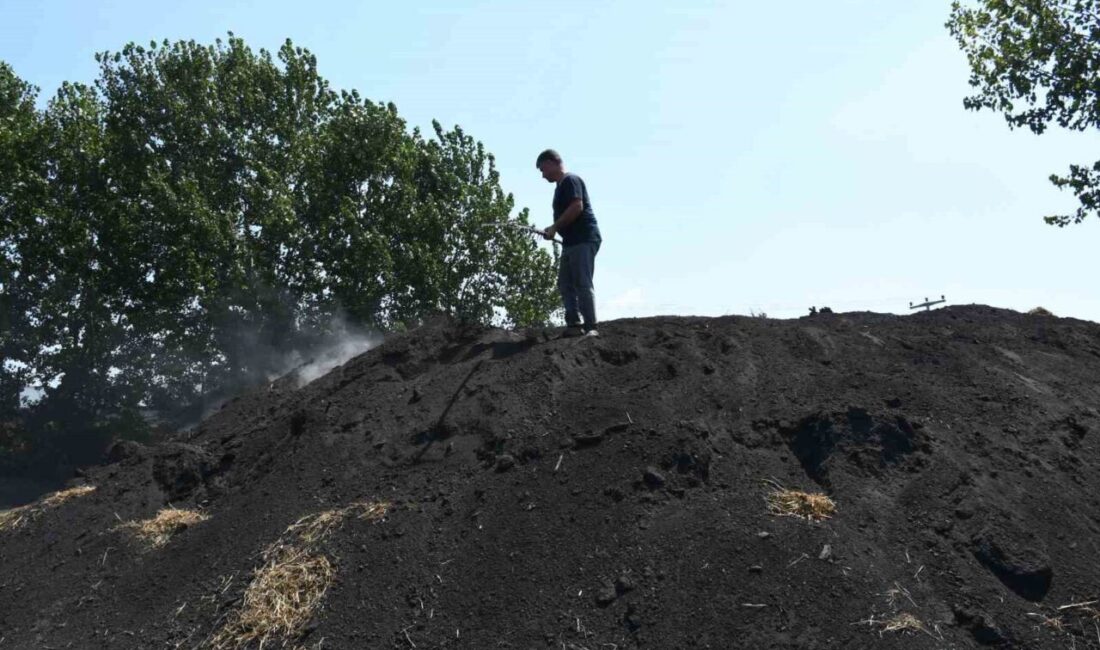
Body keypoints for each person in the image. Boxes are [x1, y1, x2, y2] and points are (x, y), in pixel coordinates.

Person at [536, 149, 602, 337]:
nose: (543, 175)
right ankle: (574, 325)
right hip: (570, 242)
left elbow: (577, 206)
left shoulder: (570, 180)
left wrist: (555, 227)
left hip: (584, 238)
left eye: (543, 169)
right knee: (565, 283)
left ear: (552, 163)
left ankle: (591, 327)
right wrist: (552, 230)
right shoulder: (560, 187)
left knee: (582, 281)